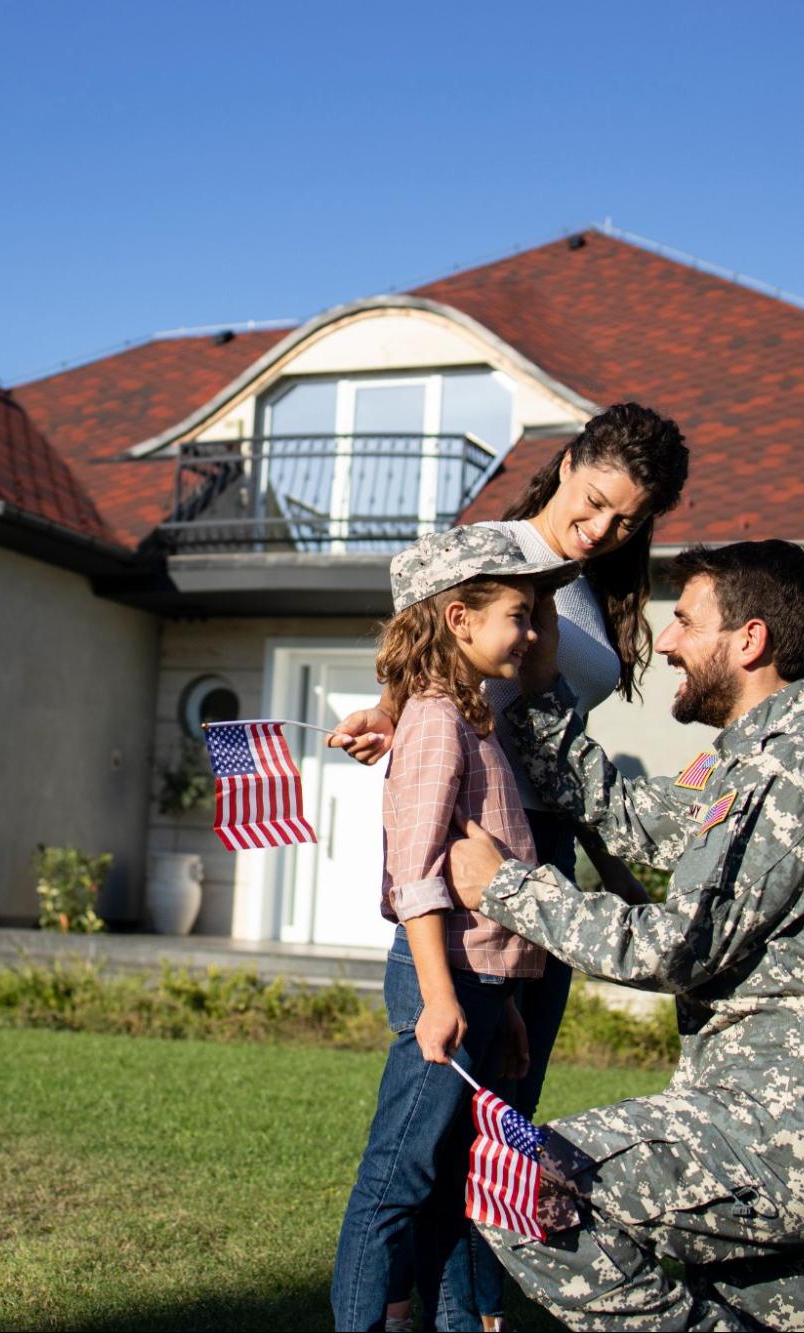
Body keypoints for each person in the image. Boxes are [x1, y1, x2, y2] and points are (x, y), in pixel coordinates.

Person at [443, 539, 804, 1331]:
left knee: (518, 1178)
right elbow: (626, 816)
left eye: (686, 622)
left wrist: (504, 888)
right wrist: (540, 682)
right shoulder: (746, 765)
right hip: (789, 1130)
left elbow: (668, 946)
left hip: (788, 1134)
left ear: (749, 641)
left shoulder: (793, 774)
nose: (664, 642)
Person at [334, 402, 691, 1330]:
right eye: (598, 500)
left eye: (629, 520)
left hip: (543, 856)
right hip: (463, 851)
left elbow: (564, 746)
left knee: (505, 1114)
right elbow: (416, 675)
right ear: (567, 462)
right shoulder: (482, 557)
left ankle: (472, 1311)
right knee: (432, 1120)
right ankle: (408, 1298)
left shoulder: (591, 593)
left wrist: (615, 866)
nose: (606, 527)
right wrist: (387, 716)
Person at [330, 525, 574, 1333]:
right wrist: (442, 997)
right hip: (445, 981)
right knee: (396, 1175)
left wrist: (501, 999)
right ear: (460, 618)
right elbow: (418, 871)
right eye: (519, 614)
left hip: (477, 983)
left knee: (447, 1176)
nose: (532, 633)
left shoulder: (469, 719)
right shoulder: (434, 721)